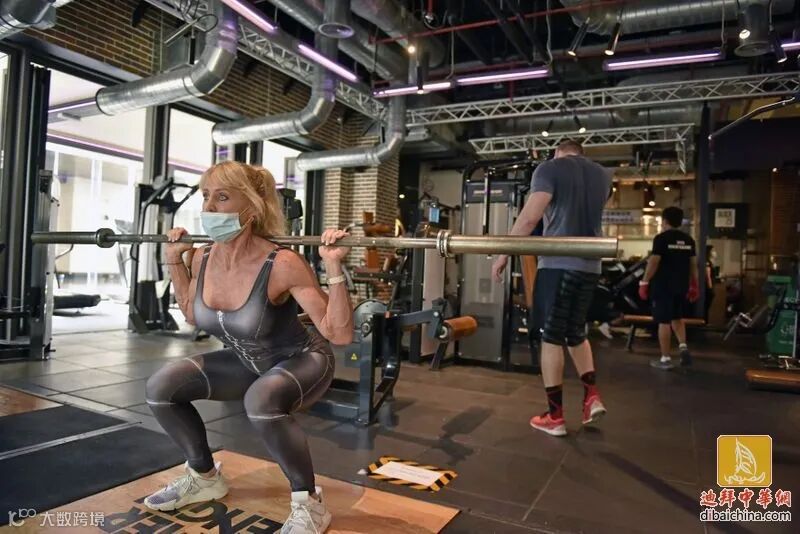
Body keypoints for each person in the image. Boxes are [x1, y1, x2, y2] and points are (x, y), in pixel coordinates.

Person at [143, 161, 353, 534]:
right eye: (206, 196)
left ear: (252, 207)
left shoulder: (283, 262)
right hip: (248, 360)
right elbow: (192, 313)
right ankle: (204, 477)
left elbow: (338, 334)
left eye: (222, 197)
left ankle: (310, 503)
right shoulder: (203, 256)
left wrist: (334, 268)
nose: (209, 207)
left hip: (303, 359)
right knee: (162, 386)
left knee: (261, 399)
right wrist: (175, 260)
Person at [492, 140, 611, 437]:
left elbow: (530, 218)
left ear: (558, 151)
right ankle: (591, 395)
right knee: (576, 331)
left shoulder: (550, 168)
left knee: (551, 336)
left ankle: (555, 416)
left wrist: (503, 253)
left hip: (558, 264)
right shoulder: (603, 175)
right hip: (591, 266)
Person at [638, 206, 699, 370]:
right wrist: (694, 284)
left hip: (663, 286)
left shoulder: (661, 238)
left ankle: (665, 358)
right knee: (677, 318)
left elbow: (654, 261)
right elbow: (693, 264)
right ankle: (683, 347)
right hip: (681, 286)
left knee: (663, 321)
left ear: (664, 221)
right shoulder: (688, 240)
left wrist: (644, 282)